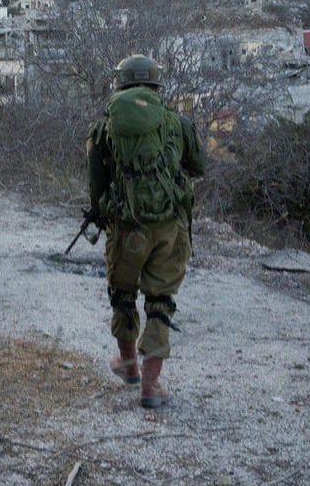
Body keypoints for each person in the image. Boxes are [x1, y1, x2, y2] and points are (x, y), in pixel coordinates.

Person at [85, 54, 206, 408]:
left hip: (126, 228)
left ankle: (127, 364)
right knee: (160, 301)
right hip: (170, 229)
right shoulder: (176, 122)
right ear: (157, 87)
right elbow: (198, 165)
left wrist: (101, 208)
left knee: (123, 293)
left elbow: (96, 180)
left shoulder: (105, 128)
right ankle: (151, 387)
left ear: (120, 86)